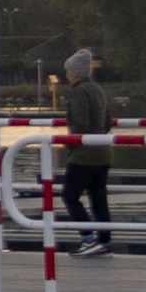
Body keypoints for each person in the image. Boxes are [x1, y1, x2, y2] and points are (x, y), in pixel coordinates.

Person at [54, 46, 117, 248]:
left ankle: (87, 237)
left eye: (68, 72)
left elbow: (80, 125)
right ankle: (104, 240)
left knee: (69, 195)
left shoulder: (79, 92)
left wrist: (69, 145)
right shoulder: (98, 89)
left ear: (75, 73)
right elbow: (107, 122)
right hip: (103, 151)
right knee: (98, 197)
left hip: (84, 155)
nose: (67, 77)